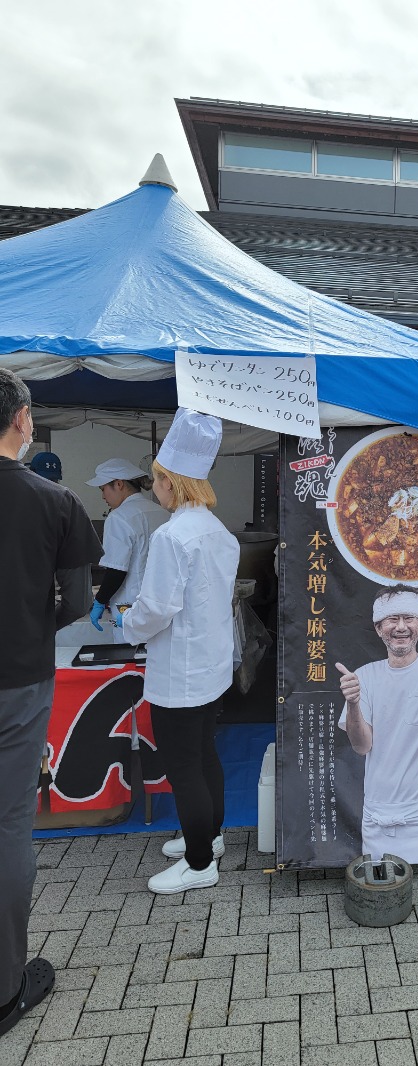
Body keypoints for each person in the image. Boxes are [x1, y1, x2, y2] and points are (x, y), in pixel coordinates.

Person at [0, 368, 102, 1038]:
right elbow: (80, 602)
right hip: (19, 679)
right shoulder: (53, 500)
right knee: (9, 826)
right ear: (24, 419)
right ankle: (6, 989)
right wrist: (36, 626)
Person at [117, 408, 239, 894]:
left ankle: (199, 862)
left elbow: (157, 609)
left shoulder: (173, 536)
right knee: (205, 754)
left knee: (184, 765)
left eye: (156, 481)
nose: (154, 489)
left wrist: (128, 619)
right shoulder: (217, 530)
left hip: (182, 671)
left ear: (171, 482)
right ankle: (210, 836)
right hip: (209, 665)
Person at [336, 585, 418, 863]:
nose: (400, 627)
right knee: (386, 893)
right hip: (380, 815)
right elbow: (362, 746)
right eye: (391, 620)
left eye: (408, 619)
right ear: (378, 628)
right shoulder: (364, 677)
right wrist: (352, 703)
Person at [85, 459, 167, 639]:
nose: (103, 496)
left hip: (130, 607)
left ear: (119, 484)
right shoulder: (161, 512)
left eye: (103, 489)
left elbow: (116, 570)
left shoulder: (119, 518)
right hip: (160, 606)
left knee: (129, 662)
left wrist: (100, 600)